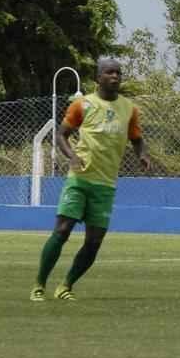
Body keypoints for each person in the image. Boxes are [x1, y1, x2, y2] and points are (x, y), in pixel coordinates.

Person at [30, 58, 151, 302]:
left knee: (94, 241)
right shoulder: (82, 104)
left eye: (118, 73)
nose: (115, 76)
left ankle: (65, 286)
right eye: (109, 72)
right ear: (98, 78)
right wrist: (72, 156)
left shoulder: (130, 109)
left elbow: (136, 138)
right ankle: (39, 285)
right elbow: (61, 135)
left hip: (105, 184)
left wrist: (143, 155)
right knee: (62, 230)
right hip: (80, 179)